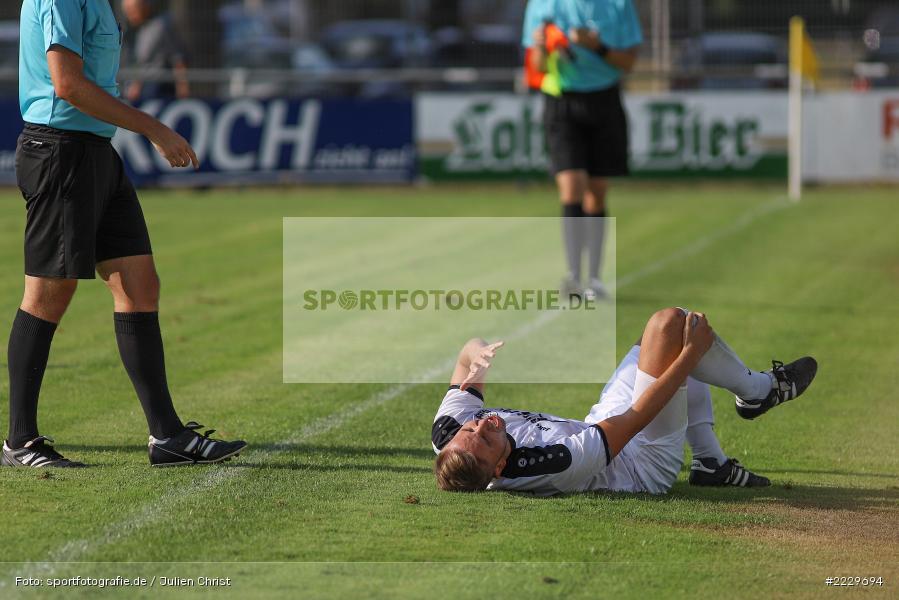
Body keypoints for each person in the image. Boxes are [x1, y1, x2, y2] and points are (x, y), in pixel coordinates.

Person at [3, 0, 245, 468]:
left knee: (140, 285)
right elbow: (67, 85)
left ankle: (167, 437)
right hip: (59, 152)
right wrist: (154, 128)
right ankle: (19, 442)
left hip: (94, 151)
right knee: (48, 293)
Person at [432, 308, 818, 494]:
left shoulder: (450, 436)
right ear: (500, 467)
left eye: (473, 427)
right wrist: (689, 357)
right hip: (641, 463)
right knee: (672, 329)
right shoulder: (552, 463)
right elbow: (635, 419)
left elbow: (466, 356)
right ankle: (759, 391)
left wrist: (478, 352)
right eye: (484, 439)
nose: (482, 424)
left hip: (600, 425)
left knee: (677, 327)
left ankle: (712, 463)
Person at [522, 0, 642, 299]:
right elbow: (535, 66)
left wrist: (596, 46)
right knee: (571, 186)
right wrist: (541, 46)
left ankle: (595, 278)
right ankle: (573, 275)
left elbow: (628, 63)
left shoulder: (618, 4)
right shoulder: (542, 5)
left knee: (597, 192)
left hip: (604, 100)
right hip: (561, 101)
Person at [121, 0, 190, 102]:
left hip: (158, 89)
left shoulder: (162, 26)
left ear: (145, 6)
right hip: (140, 92)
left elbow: (178, 59)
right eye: (127, 12)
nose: (130, 15)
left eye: (133, 10)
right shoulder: (137, 30)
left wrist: (182, 89)